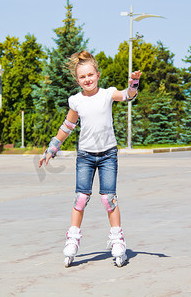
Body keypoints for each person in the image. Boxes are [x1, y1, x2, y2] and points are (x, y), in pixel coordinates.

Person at [38, 50, 142, 267]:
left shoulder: (107, 94)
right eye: (82, 77)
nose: (87, 80)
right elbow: (67, 127)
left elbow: (127, 96)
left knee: (108, 198)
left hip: (108, 155)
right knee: (81, 198)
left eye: (90, 75)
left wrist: (133, 83)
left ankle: (117, 239)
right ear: (77, 80)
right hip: (85, 156)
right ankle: (73, 240)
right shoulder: (76, 101)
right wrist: (51, 149)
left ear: (98, 74)